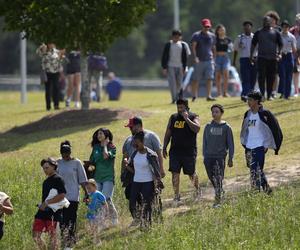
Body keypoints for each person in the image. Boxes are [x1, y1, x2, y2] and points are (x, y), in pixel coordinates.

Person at [240, 90, 283, 193]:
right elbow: (244, 129)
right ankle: (268, 191)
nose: (248, 102)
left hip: (260, 147)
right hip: (249, 147)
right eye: (248, 100)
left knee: (256, 171)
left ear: (257, 101)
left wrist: (269, 144)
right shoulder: (247, 114)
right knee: (255, 170)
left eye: (250, 100)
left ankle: (255, 192)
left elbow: (275, 129)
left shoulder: (265, 114)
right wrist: (244, 143)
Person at [163, 99, 201, 205]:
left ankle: (198, 190)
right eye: (178, 107)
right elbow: (168, 133)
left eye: (181, 107)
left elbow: (197, 129)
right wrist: (164, 146)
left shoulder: (194, 116)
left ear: (186, 107)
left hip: (189, 151)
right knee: (175, 173)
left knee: (191, 173)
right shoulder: (173, 117)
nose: (179, 109)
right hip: (175, 151)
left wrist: (187, 119)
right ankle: (176, 196)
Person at [121, 116, 165, 201]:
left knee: (152, 195)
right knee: (131, 195)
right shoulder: (128, 140)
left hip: (149, 172)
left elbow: (159, 154)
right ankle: (140, 212)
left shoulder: (151, 136)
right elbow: (125, 157)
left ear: (138, 126)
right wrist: (123, 173)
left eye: (131, 127)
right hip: (133, 172)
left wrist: (161, 169)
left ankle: (156, 212)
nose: (130, 129)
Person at [125, 131, 163, 226]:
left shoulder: (151, 154)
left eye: (137, 142)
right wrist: (126, 165)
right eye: (134, 142)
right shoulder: (134, 154)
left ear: (142, 142)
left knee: (147, 204)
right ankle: (138, 219)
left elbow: (156, 171)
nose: (135, 144)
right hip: (136, 182)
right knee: (132, 203)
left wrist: (157, 183)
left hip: (148, 182)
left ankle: (147, 223)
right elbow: (132, 167)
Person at [57, 141, 88, 249]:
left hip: (73, 196)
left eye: (68, 153)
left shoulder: (77, 163)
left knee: (71, 219)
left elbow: (83, 180)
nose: (66, 156)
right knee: (62, 221)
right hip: (60, 197)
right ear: (61, 153)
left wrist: (86, 193)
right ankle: (65, 240)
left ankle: (70, 241)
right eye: (64, 154)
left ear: (70, 152)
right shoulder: (57, 163)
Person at [203, 104, 234, 207]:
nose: (214, 114)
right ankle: (220, 192)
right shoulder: (208, 127)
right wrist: (204, 155)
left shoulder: (226, 127)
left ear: (221, 113)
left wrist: (230, 158)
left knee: (218, 177)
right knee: (211, 177)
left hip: (220, 157)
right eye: (213, 112)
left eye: (216, 112)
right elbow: (205, 142)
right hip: (208, 157)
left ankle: (218, 199)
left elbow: (230, 144)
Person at [33, 158, 67, 250]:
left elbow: (62, 195)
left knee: (53, 238)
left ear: (54, 167)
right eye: (43, 168)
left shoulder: (58, 179)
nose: (45, 170)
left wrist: (47, 203)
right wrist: (43, 204)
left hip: (54, 214)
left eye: (47, 168)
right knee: (36, 235)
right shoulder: (46, 181)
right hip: (42, 212)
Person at [88, 128, 118, 226]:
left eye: (101, 133)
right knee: (99, 199)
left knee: (106, 198)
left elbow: (106, 156)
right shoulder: (96, 147)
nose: (98, 135)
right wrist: (89, 167)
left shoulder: (112, 147)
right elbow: (92, 160)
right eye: (98, 134)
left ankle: (109, 219)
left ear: (106, 135)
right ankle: (105, 220)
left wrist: (105, 145)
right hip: (98, 177)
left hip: (108, 177)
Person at [251, 16, 283, 101]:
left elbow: (281, 44)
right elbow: (253, 44)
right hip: (261, 58)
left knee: (271, 77)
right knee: (261, 77)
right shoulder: (258, 32)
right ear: (263, 22)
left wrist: (279, 54)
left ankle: (269, 95)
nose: (266, 22)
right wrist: (251, 56)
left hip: (272, 58)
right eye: (265, 21)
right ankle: (262, 95)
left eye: (268, 21)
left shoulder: (275, 32)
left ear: (271, 22)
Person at [191, 18, 216, 101]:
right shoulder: (196, 35)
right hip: (199, 60)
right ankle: (194, 96)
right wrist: (195, 57)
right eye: (205, 26)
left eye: (208, 26)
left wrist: (214, 59)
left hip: (209, 60)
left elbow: (213, 47)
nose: (207, 28)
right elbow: (193, 47)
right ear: (202, 26)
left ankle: (208, 95)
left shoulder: (212, 36)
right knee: (196, 79)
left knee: (209, 78)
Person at [161, 29, 189, 103]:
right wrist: (164, 67)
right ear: (172, 37)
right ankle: (174, 99)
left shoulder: (183, 45)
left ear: (180, 37)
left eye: (178, 36)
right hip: (171, 66)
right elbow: (164, 56)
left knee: (179, 83)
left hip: (180, 66)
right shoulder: (168, 45)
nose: (176, 38)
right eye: (175, 36)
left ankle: (179, 97)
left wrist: (185, 67)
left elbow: (185, 58)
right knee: (172, 83)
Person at [233, 21, 257, 102]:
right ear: (243, 28)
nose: (247, 28)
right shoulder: (240, 38)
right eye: (245, 26)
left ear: (251, 27)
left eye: (248, 26)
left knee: (253, 78)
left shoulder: (255, 37)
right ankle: (244, 94)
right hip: (244, 59)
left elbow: (259, 49)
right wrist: (234, 61)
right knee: (245, 78)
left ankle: (251, 94)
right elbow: (235, 50)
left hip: (254, 59)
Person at [37, 43, 65, 110]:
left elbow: (60, 61)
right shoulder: (44, 51)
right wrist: (42, 46)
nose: (52, 45)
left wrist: (61, 55)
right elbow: (38, 52)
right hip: (47, 72)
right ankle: (48, 106)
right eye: (50, 44)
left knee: (56, 88)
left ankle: (56, 105)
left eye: (53, 44)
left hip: (56, 72)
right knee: (48, 90)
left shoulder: (56, 51)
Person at [85, 179, 108, 244]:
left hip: (98, 213)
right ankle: (94, 237)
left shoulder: (98, 193)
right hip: (91, 213)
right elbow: (89, 203)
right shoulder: (89, 195)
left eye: (89, 188)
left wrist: (106, 211)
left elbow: (104, 202)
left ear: (95, 186)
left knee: (96, 226)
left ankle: (98, 240)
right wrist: (87, 201)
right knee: (92, 226)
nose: (88, 190)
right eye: (87, 188)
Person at [278, 20, 297, 99]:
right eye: (283, 27)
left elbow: (294, 49)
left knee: (289, 76)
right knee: (282, 75)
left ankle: (287, 94)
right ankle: (282, 92)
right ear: (281, 27)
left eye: (286, 27)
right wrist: (278, 54)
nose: (285, 28)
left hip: (289, 56)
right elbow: (276, 46)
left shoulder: (292, 37)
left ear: (288, 28)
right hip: (281, 56)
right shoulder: (278, 36)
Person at [265, 10, 281, 99]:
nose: (271, 22)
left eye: (273, 20)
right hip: (265, 55)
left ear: (276, 20)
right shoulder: (264, 29)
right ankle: (268, 91)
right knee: (267, 74)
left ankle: (274, 92)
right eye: (269, 20)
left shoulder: (279, 30)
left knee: (275, 74)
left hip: (276, 55)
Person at [215, 24, 233, 97]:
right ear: (217, 31)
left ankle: (225, 92)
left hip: (225, 57)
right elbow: (213, 48)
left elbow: (231, 48)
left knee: (226, 73)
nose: (222, 31)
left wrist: (231, 48)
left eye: (223, 30)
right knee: (218, 75)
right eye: (220, 30)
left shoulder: (228, 39)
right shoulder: (215, 39)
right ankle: (219, 93)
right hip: (217, 57)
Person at [290, 13, 300, 97]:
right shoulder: (292, 31)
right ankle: (296, 91)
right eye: (298, 21)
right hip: (295, 53)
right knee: (296, 72)